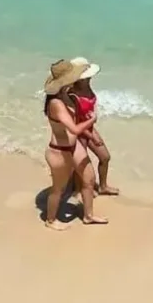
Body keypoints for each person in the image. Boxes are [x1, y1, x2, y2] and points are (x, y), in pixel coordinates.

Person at [43, 59, 108, 230]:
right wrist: (92, 120)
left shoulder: (68, 96)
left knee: (89, 179)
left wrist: (91, 135)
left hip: (74, 147)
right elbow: (74, 128)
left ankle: (88, 216)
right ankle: (50, 220)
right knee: (58, 189)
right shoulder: (56, 103)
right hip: (59, 150)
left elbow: (77, 123)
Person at [69, 57, 119, 197]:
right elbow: (75, 122)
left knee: (105, 157)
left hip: (89, 127)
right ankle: (78, 190)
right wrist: (91, 136)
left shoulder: (87, 86)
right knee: (81, 163)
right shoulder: (73, 95)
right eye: (87, 77)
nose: (90, 78)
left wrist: (92, 128)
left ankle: (103, 187)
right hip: (79, 131)